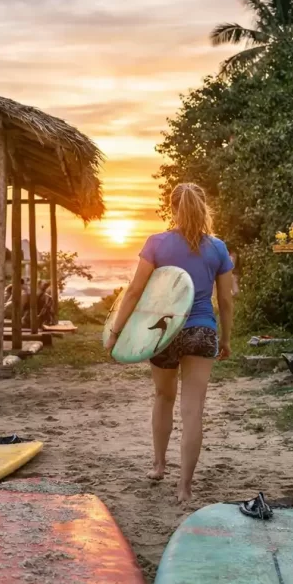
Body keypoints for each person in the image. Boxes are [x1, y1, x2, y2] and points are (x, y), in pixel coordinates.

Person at [104, 182, 234, 503]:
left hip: (163, 332)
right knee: (193, 411)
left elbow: (135, 292)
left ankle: (159, 465)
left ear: (172, 208)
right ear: (203, 208)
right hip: (202, 331)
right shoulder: (217, 248)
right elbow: (227, 301)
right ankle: (184, 487)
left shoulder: (156, 243)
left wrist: (117, 331)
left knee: (163, 397)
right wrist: (226, 338)